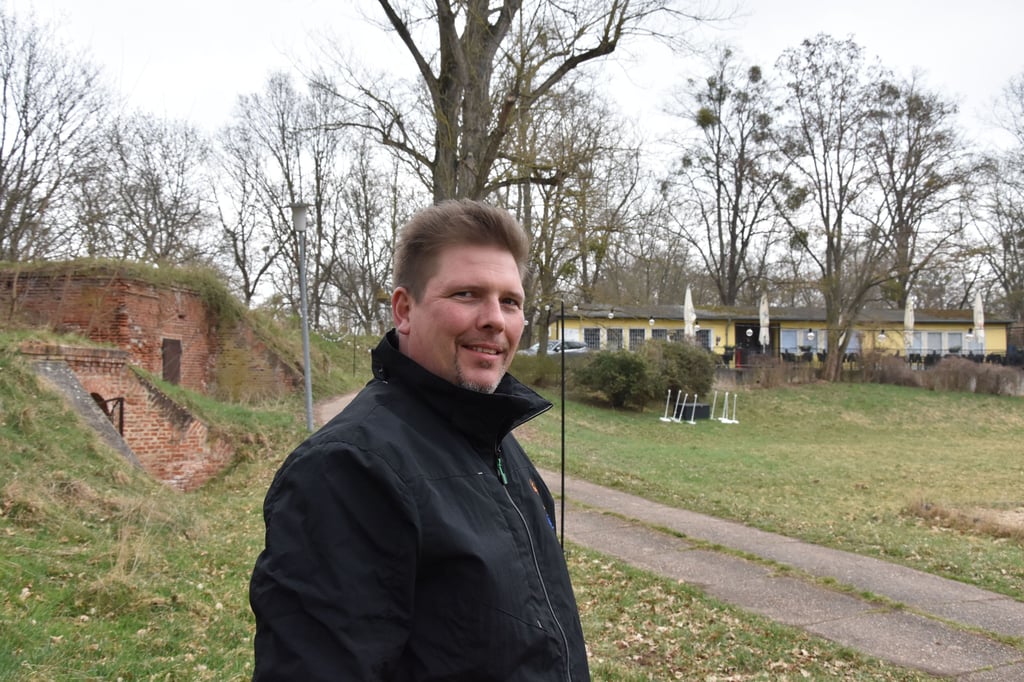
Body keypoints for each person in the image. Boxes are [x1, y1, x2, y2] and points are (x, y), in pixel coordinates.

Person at [249, 199, 591, 681]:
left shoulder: (491, 438)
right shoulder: (347, 470)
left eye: (510, 301)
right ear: (404, 310)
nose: (496, 319)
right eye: (468, 294)